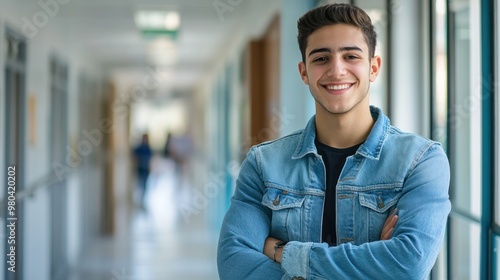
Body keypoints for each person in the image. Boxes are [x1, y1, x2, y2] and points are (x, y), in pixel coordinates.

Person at [217, 3, 451, 280]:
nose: (337, 70)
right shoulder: (263, 164)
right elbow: (234, 265)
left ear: (374, 68)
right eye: (321, 59)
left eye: (351, 56)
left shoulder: (420, 161)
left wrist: (284, 252)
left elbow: (408, 265)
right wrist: (373, 261)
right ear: (304, 72)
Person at [133, 133, 153, 205]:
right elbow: (134, 155)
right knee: (139, 184)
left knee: (145, 184)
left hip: (146, 169)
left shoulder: (148, 149)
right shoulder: (139, 148)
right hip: (140, 169)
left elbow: (150, 159)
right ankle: (139, 199)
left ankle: (143, 199)